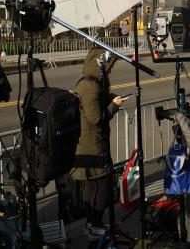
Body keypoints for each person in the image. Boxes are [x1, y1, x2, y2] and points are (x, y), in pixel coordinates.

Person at [71, 48, 128, 240]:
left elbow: (95, 103)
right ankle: (93, 225)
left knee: (93, 187)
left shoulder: (89, 82)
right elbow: (96, 118)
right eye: (107, 68)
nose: (109, 72)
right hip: (91, 147)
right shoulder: (91, 87)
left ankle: (93, 224)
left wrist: (110, 97)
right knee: (100, 188)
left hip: (90, 145)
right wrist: (114, 106)